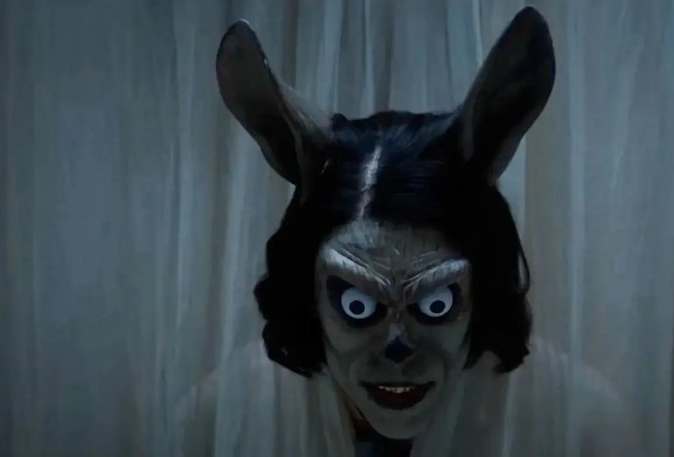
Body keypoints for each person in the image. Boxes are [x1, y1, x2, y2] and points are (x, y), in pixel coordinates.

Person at [174, 7, 643, 456]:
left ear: (482, 291)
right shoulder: (226, 421)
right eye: (357, 305)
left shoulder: (580, 424)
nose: (397, 347)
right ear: (308, 294)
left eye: (436, 303)